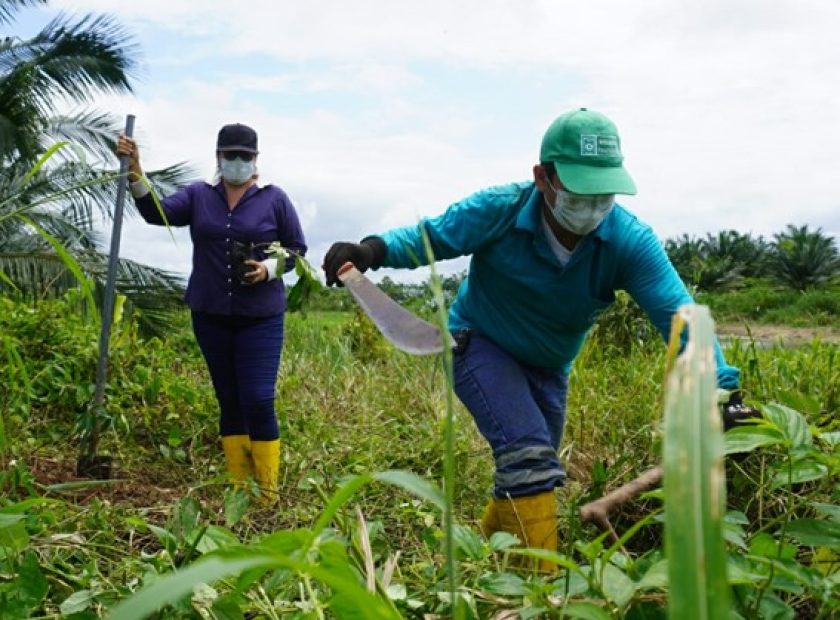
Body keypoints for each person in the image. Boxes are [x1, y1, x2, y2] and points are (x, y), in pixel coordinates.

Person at [323, 107, 754, 568]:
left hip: (550, 367)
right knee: (528, 456)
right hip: (478, 343)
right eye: (580, 190)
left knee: (532, 475)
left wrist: (721, 390)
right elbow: (433, 237)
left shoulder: (628, 241)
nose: (593, 205)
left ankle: (478, 559)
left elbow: (680, 317)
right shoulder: (501, 210)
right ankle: (542, 590)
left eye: (603, 193)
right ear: (543, 178)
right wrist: (369, 250)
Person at [117, 123, 307, 503]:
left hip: (261, 317)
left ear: (256, 160)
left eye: (245, 156)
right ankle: (239, 488)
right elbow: (157, 214)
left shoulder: (275, 199)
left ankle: (267, 494)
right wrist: (135, 170)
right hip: (211, 314)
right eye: (230, 155)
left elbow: (298, 251)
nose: (237, 162)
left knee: (258, 398)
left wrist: (267, 269)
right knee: (229, 398)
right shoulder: (199, 196)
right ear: (218, 157)